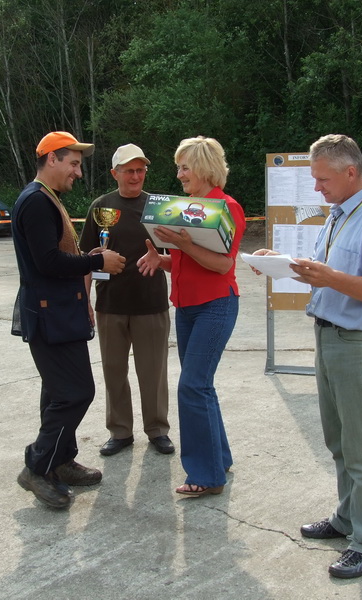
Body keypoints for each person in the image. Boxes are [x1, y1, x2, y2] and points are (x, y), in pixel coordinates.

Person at [252, 134, 362, 579]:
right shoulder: (338, 215)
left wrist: (330, 277)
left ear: (350, 173)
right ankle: (347, 518)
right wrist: (282, 262)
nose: (316, 187)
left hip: (359, 345)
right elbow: (326, 273)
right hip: (330, 339)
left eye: (323, 179)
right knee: (338, 442)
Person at [11, 131, 126, 510]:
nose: (78, 172)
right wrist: (96, 261)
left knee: (57, 392)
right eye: (73, 163)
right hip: (50, 316)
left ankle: (60, 460)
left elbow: (56, 254)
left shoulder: (47, 198)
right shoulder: (36, 202)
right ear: (52, 159)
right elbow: (47, 262)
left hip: (60, 312)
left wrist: (85, 256)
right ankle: (37, 466)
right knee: (75, 393)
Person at [137, 136, 246, 497]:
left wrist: (184, 244)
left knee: (192, 386)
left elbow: (222, 265)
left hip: (216, 305)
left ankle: (206, 476)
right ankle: (218, 460)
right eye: (179, 167)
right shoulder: (187, 208)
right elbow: (188, 263)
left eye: (185, 167)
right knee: (201, 386)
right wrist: (162, 259)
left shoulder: (227, 208)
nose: (179, 174)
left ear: (204, 168)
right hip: (186, 307)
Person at [79, 144, 173, 457]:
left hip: (151, 303)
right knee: (114, 372)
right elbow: (86, 258)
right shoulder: (100, 206)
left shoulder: (159, 206)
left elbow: (179, 255)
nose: (135, 176)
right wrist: (85, 301)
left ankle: (157, 430)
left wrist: (162, 259)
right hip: (111, 305)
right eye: (129, 170)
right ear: (114, 173)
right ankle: (120, 431)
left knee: (153, 372)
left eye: (140, 170)